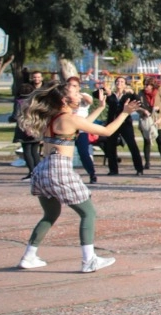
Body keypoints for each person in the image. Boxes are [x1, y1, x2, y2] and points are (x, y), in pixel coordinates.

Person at [15, 81, 128, 273]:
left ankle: (29, 256)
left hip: (43, 170)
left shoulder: (54, 117)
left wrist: (100, 107)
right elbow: (107, 131)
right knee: (88, 213)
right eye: (76, 92)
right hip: (59, 170)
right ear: (64, 99)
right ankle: (89, 260)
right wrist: (125, 112)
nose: (80, 95)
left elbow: (83, 126)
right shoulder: (69, 118)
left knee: (50, 214)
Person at [100, 75, 146, 177]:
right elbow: (96, 94)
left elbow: (139, 102)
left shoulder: (128, 95)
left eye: (122, 82)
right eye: (118, 82)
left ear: (125, 84)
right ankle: (113, 170)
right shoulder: (111, 95)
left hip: (125, 123)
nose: (119, 83)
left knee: (132, 145)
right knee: (111, 146)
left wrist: (133, 93)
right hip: (112, 123)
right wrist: (104, 90)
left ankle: (139, 169)